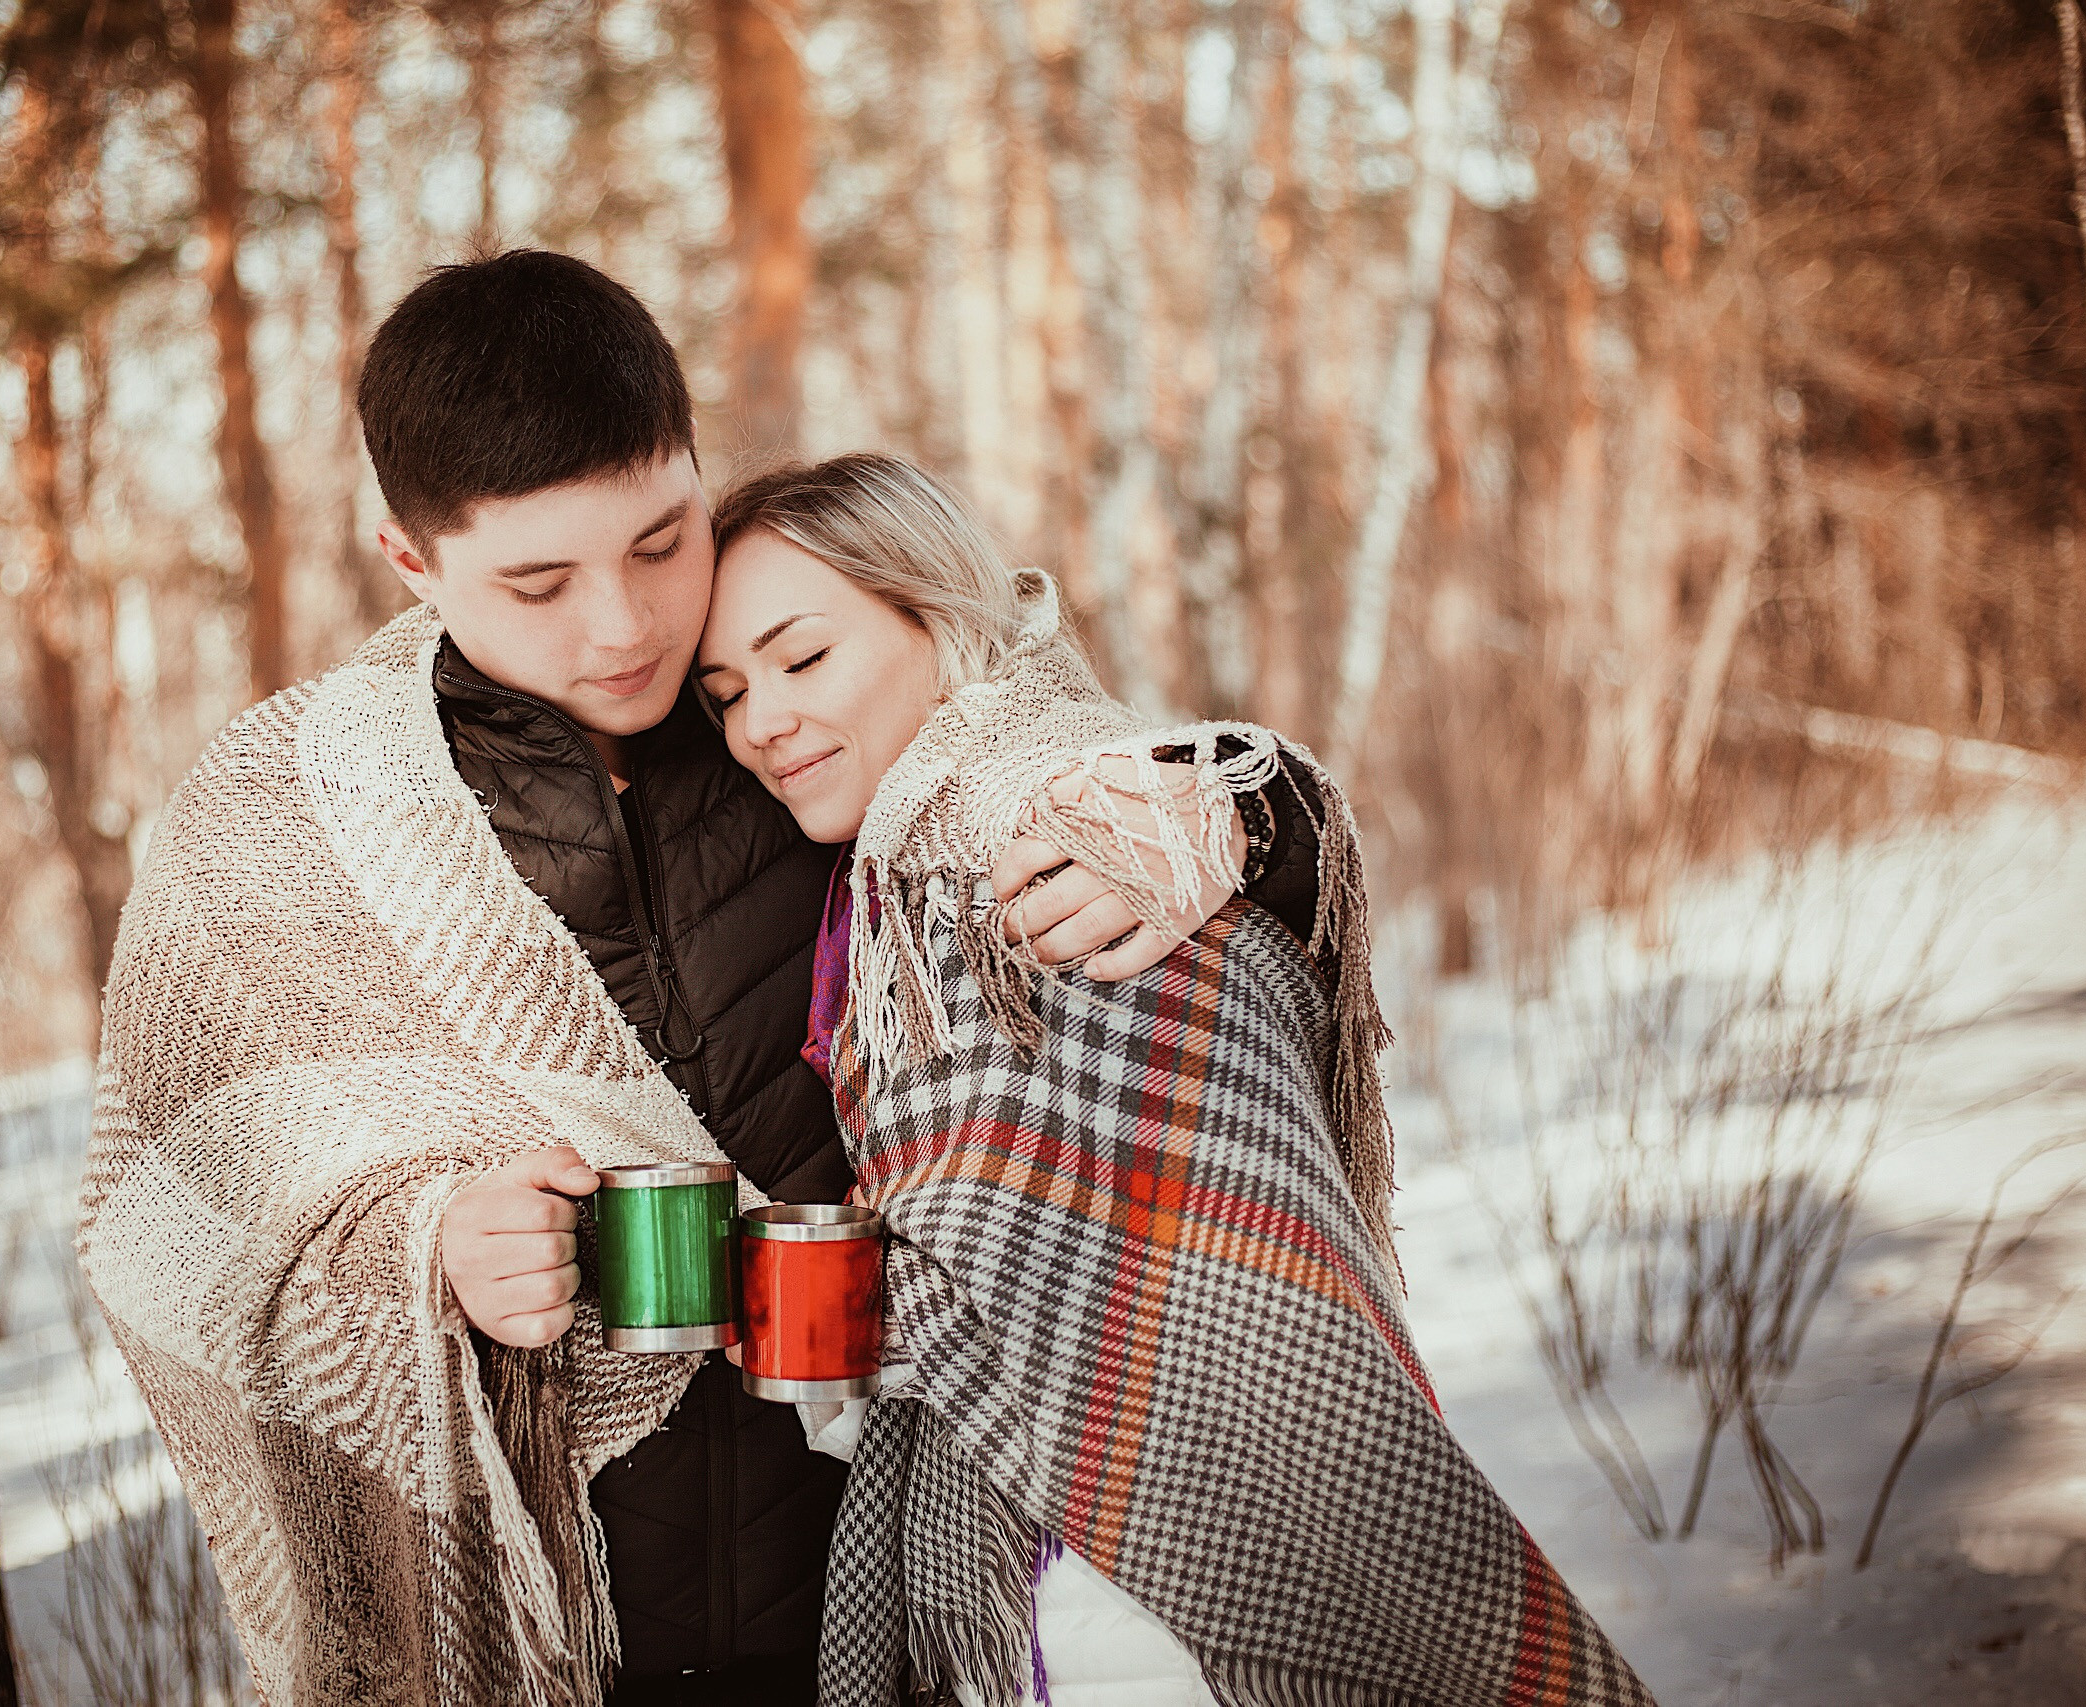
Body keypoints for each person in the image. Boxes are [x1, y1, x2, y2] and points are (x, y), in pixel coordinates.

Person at [75, 252, 1257, 1707]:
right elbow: (167, 1216)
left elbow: (1026, 742)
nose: (626, 626)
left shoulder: (802, 716)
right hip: (545, 1628)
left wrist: (1218, 812)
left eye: (658, 539)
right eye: (538, 580)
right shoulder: (284, 819)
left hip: (878, 1589)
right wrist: (423, 1241)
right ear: (409, 560)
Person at [695, 454, 1658, 1707]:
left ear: (937, 618)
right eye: (726, 691)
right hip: (1066, 1487)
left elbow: (1023, 1243)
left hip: (1234, 1435)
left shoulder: (1056, 829)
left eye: (801, 658)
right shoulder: (878, 882)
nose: (759, 720)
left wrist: (1251, 800)